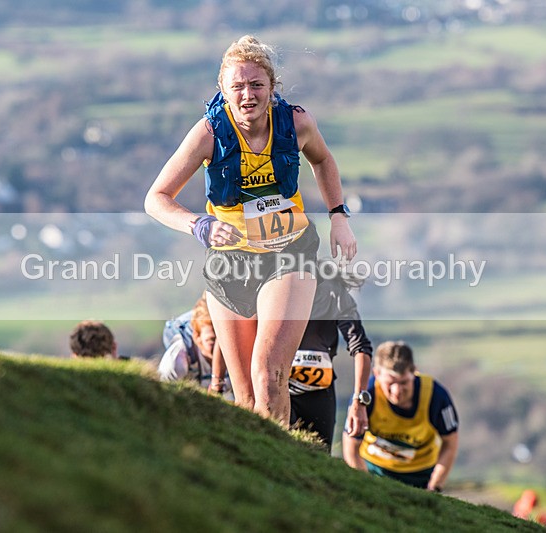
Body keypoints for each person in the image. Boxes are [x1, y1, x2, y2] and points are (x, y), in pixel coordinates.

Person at [144, 35, 357, 426]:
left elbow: (324, 161)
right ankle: (261, 473)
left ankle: (285, 476)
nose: (247, 95)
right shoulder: (208, 133)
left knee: (269, 373)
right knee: (244, 398)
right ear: (222, 91)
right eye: (237, 86)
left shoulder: (296, 122)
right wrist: (200, 225)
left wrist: (338, 216)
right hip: (230, 265)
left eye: (256, 85)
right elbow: (156, 198)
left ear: (272, 88)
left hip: (289, 253)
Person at [342, 341, 459, 492]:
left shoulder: (436, 396)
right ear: (376, 374)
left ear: (414, 372)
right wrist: (364, 483)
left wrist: (435, 486)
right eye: (390, 383)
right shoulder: (366, 395)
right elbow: (350, 444)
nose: (396, 391)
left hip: (420, 475)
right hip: (374, 469)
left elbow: (450, 443)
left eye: (404, 382)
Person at [289, 261, 372, 451]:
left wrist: (359, 402)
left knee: (318, 455)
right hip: (282, 388)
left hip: (318, 392)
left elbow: (360, 347)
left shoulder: (333, 290)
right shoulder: (274, 282)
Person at [159, 292, 229, 395]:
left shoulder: (237, 349)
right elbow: (162, 394)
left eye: (225, 341)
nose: (219, 348)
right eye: (212, 340)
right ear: (197, 337)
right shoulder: (177, 361)